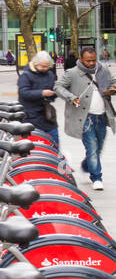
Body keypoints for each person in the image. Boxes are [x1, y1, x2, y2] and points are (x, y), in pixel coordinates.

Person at [54, 46, 116, 189]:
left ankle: (85, 165)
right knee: (92, 147)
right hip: (84, 118)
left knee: (98, 147)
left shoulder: (103, 70)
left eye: (93, 60)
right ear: (81, 59)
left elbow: (114, 82)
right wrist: (72, 97)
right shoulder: (72, 73)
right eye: (88, 61)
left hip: (102, 116)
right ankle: (97, 178)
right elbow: (58, 87)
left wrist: (112, 89)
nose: (91, 63)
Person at [17, 50, 59, 147]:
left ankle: (55, 156)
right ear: (36, 64)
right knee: (35, 142)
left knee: (54, 140)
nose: (45, 69)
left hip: (46, 114)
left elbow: (52, 92)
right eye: (42, 66)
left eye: (47, 66)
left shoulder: (50, 75)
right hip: (30, 115)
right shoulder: (26, 75)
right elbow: (23, 92)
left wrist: (54, 93)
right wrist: (42, 93)